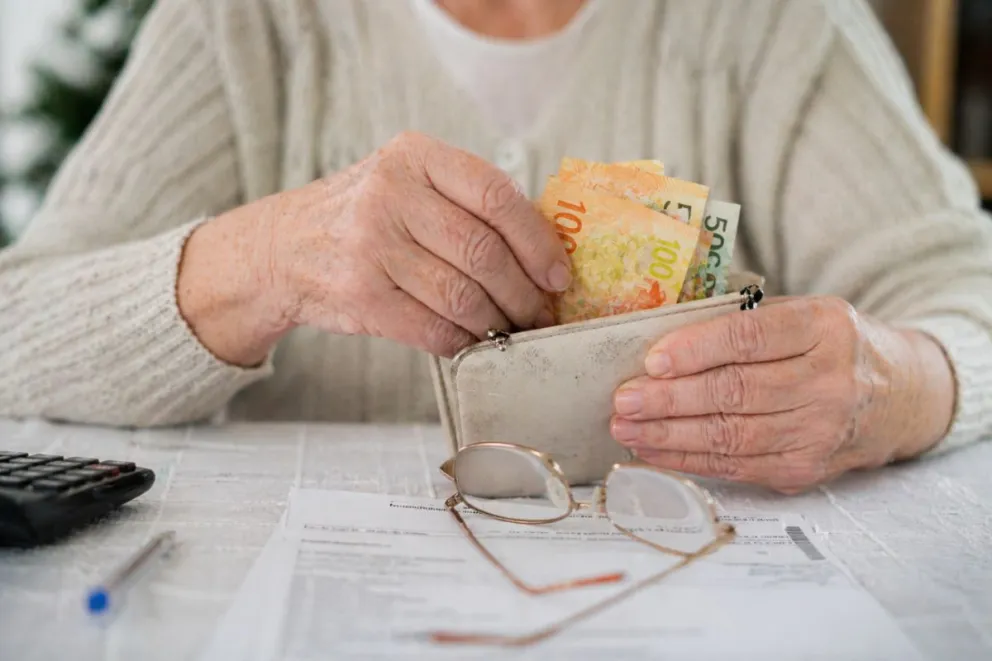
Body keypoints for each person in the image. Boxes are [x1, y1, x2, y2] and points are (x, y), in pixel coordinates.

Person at [1, 0, 990, 495]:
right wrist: (262, 260)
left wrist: (895, 382)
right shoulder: (247, 21)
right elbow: (16, 330)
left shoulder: (770, 23)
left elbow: (964, 291)